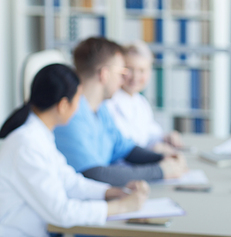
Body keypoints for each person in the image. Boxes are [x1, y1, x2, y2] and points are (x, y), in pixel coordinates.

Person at [0, 64, 149, 237]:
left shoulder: (39, 134)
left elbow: (69, 181)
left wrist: (111, 191)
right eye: (79, 99)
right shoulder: (26, 144)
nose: (80, 108)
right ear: (63, 105)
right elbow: (62, 212)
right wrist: (120, 207)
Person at [54, 37, 188, 187]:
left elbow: (125, 148)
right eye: (121, 72)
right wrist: (159, 171)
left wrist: (162, 158)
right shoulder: (71, 115)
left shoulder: (100, 108)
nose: (122, 79)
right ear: (104, 74)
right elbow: (94, 174)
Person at [106, 40, 183, 156]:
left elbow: (150, 134)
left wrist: (167, 137)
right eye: (129, 69)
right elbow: (122, 145)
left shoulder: (140, 102)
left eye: (142, 70)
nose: (136, 76)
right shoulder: (109, 102)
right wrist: (152, 149)